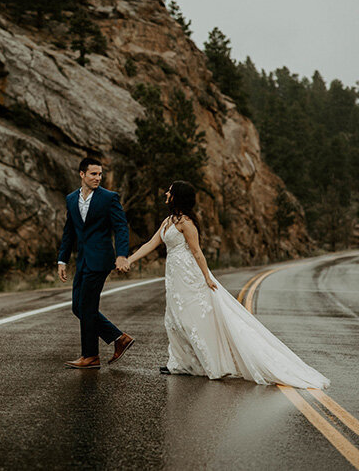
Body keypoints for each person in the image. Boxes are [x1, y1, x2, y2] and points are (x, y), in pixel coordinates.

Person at [124, 180, 329, 389]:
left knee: (192, 319)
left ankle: (211, 363)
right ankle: (181, 363)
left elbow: (196, 252)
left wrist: (207, 277)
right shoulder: (168, 221)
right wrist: (130, 259)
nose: (166, 194)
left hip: (189, 275)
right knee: (175, 318)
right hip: (174, 276)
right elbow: (151, 243)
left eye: (170, 191)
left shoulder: (186, 223)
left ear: (177, 196)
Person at [57, 157, 135, 369]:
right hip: (82, 260)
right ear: (82, 174)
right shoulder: (72, 199)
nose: (98, 178)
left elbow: (120, 227)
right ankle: (119, 338)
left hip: (100, 260)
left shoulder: (109, 198)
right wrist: (62, 259)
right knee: (77, 307)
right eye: (93, 174)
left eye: (100, 174)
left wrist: (121, 255)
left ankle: (90, 356)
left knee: (88, 306)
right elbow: (69, 231)